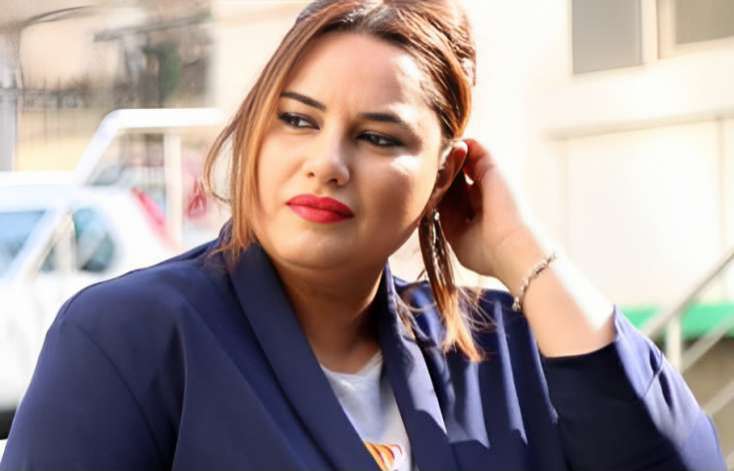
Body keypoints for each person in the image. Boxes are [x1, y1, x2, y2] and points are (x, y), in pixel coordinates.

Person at [0, 1, 726, 470]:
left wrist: (523, 253)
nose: (327, 163)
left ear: (443, 176)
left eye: (378, 137)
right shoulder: (132, 337)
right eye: (297, 119)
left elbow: (675, 461)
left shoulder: (503, 349)